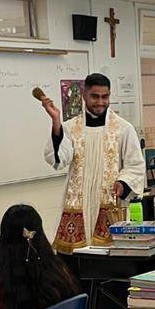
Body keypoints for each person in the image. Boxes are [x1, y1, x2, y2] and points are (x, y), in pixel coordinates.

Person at [43, 73, 145, 254]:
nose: (100, 102)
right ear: (84, 95)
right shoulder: (70, 127)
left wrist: (123, 182)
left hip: (108, 201)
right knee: (76, 261)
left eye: (105, 97)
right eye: (95, 96)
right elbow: (58, 159)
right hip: (78, 203)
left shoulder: (123, 128)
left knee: (108, 259)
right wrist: (56, 122)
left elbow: (135, 165)